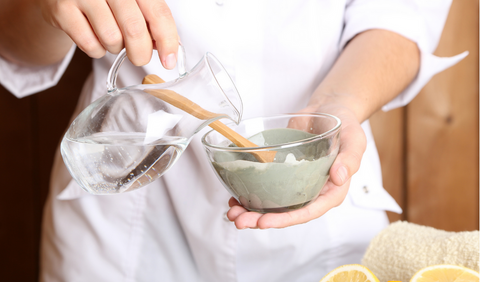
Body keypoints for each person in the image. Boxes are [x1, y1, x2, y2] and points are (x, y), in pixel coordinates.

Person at [0, 0, 467, 281]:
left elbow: (399, 18)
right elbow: (14, 42)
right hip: (126, 221)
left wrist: (339, 106)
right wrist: (51, 7)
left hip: (324, 224)